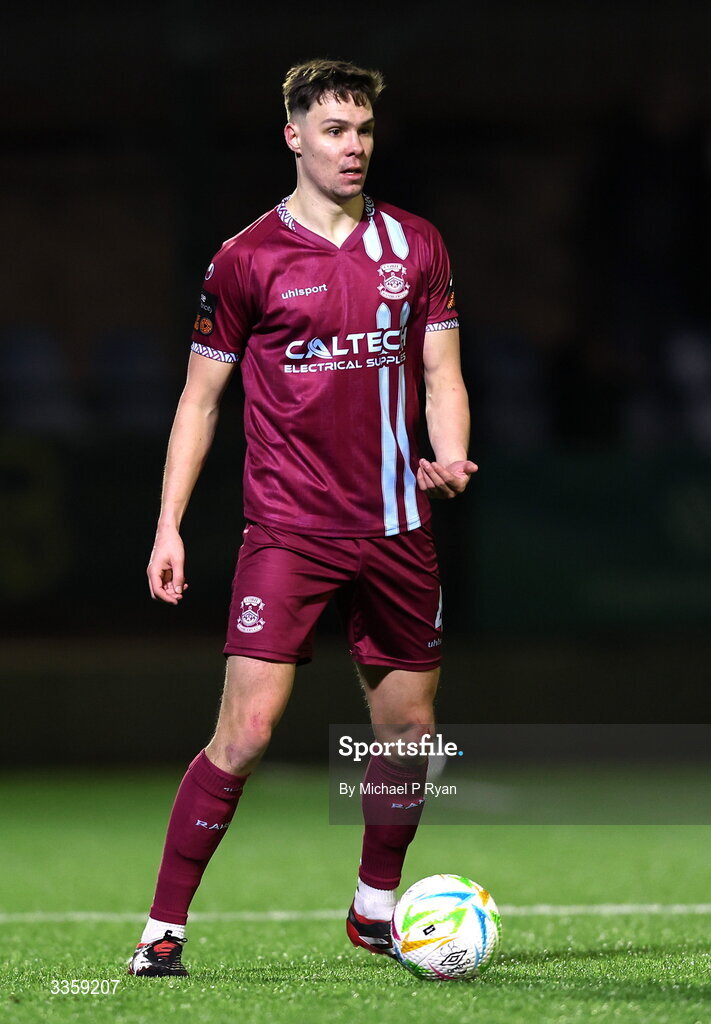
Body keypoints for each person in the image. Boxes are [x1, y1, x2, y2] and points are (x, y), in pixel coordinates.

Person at [127, 58, 477, 978]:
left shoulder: (419, 245)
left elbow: (442, 374)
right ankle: (163, 927)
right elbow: (199, 403)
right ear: (294, 137)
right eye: (333, 131)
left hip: (398, 527)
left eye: (362, 130)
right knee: (246, 731)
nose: (352, 146)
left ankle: (373, 909)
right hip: (287, 529)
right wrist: (168, 526)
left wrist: (447, 452)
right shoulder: (246, 261)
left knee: (408, 731)